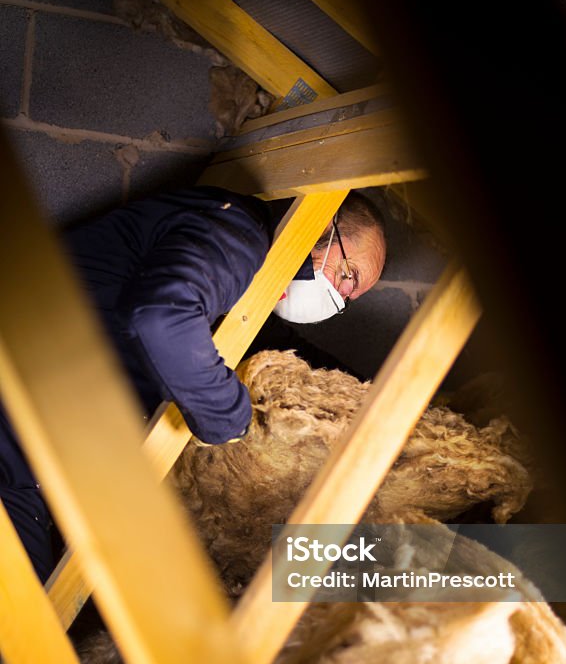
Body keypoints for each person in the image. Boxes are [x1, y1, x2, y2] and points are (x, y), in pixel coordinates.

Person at [0, 184, 386, 582]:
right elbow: (162, 316)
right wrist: (230, 419)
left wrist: (375, 398)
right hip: (16, 409)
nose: (338, 298)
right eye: (347, 275)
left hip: (29, 449)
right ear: (325, 225)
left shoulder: (243, 269)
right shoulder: (238, 234)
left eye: (349, 297)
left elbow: (278, 343)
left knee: (33, 621)